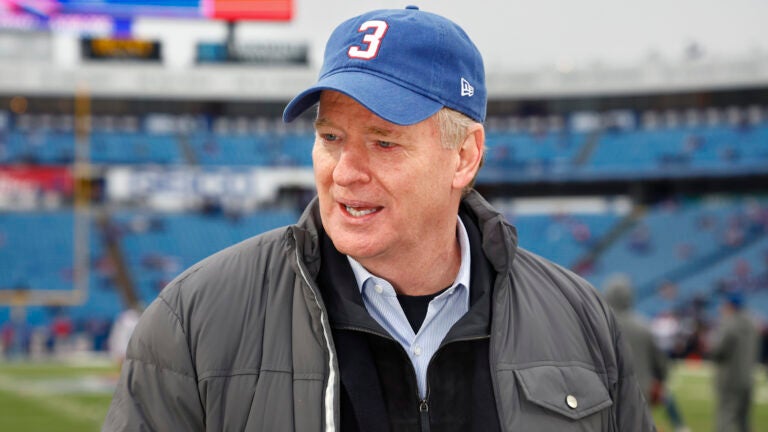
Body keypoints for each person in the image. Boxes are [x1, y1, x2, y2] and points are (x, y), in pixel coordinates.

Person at [103, 7, 655, 431]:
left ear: (464, 156)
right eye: (330, 138)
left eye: (384, 142)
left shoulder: (582, 321)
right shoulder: (194, 320)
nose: (345, 172)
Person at [604, 274, 689, 432]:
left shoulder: (600, 324)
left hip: (606, 391)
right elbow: (660, 363)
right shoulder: (644, 326)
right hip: (640, 391)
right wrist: (661, 380)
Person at [708, 292, 759, 432]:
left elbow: (717, 351)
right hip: (747, 377)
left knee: (726, 418)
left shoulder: (730, 324)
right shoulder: (753, 323)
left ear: (730, 306)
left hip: (729, 378)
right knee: (743, 419)